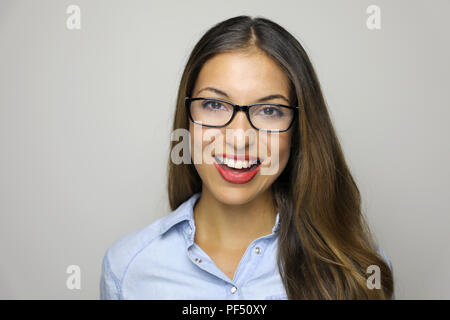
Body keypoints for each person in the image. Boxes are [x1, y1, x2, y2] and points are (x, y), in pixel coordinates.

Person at [100, 15, 394, 300]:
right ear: (187, 118)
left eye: (269, 111)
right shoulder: (128, 268)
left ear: (299, 130)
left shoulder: (356, 272)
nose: (239, 139)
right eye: (214, 104)